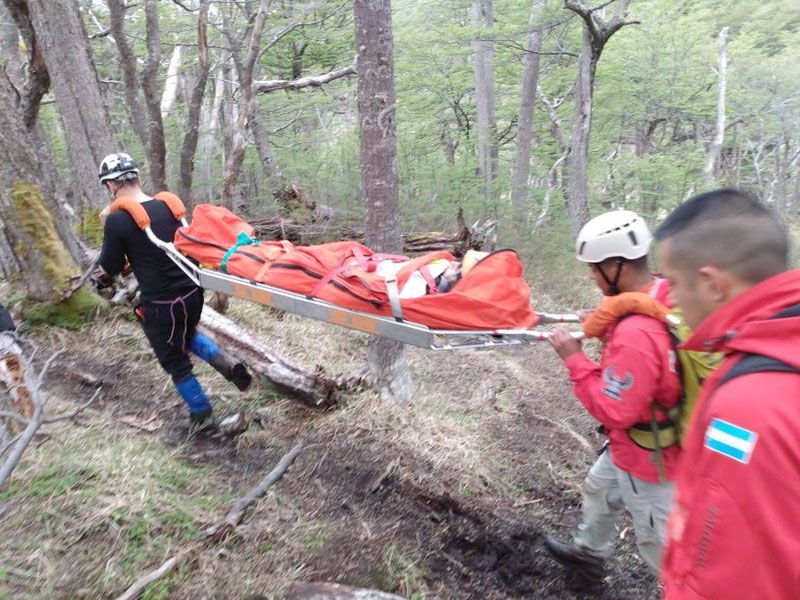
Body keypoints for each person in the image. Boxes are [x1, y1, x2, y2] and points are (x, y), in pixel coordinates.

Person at [655, 189, 800, 599]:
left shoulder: (746, 410)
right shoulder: (780, 350)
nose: (671, 298)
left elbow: (730, 570)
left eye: (674, 283)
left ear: (712, 283)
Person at [545, 210, 681, 580]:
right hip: (633, 443)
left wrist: (574, 360)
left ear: (616, 266)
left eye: (594, 268)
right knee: (600, 489)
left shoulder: (637, 332)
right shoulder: (659, 293)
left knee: (658, 544)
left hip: (650, 457)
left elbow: (614, 410)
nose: (591, 275)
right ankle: (589, 553)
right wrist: (607, 326)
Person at [96, 153, 252, 434]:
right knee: (185, 333)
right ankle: (228, 365)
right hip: (193, 293)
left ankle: (202, 418)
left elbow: (111, 267)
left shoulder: (117, 219)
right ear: (137, 178)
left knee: (174, 361)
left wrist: (108, 228)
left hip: (160, 303)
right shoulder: (167, 206)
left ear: (111, 185)